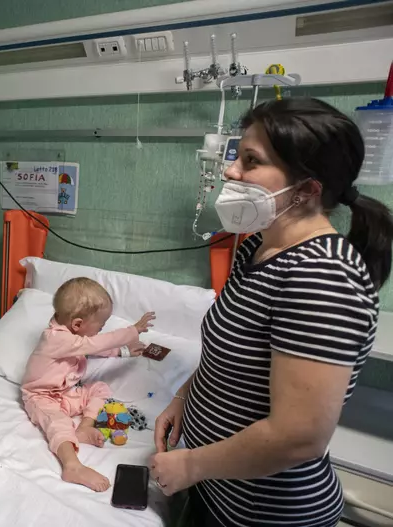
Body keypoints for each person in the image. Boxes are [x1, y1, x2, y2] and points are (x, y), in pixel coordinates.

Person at [149, 98, 392, 526]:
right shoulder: (257, 248)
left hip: (265, 513)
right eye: (236, 156)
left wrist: (190, 466)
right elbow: (232, 352)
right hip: (217, 488)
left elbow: (297, 438)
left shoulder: (323, 275)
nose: (230, 171)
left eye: (250, 160)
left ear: (307, 190)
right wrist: (184, 398)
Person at [21, 277, 155, 492]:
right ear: (77, 324)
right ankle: (72, 466)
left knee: (99, 388)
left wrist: (124, 352)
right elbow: (93, 344)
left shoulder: (71, 337)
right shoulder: (55, 338)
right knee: (58, 423)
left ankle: (85, 427)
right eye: (100, 326)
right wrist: (132, 331)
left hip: (64, 394)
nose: (100, 331)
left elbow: (91, 348)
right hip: (40, 396)